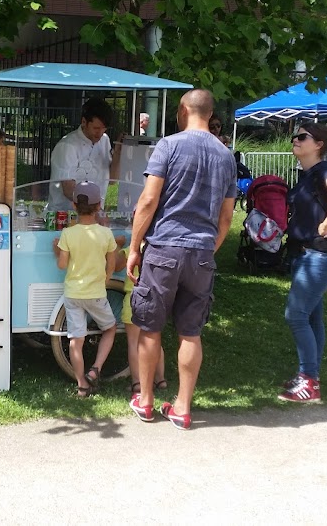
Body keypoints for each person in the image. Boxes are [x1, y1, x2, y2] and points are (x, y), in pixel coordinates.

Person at [126, 89, 236, 430]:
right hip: (202, 251)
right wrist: (208, 249)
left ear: (184, 109)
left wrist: (133, 247)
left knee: (150, 327)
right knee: (190, 333)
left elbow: (148, 200)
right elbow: (227, 218)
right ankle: (183, 408)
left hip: (163, 249)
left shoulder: (169, 145)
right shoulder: (226, 155)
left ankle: (145, 401)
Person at [279, 123, 327, 403]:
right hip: (308, 254)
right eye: (294, 136)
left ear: (319, 144)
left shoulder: (325, 171)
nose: (295, 141)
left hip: (320, 256)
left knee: (296, 315)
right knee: (312, 316)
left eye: (302, 137)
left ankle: (309, 381)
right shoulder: (309, 174)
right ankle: (309, 376)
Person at [51, 181, 118, 398]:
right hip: (96, 293)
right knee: (109, 328)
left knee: (75, 340)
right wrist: (106, 280)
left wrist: (56, 250)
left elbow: (62, 265)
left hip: (73, 294)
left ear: (73, 206)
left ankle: (81, 385)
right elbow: (111, 263)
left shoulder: (68, 234)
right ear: (99, 206)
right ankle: (95, 368)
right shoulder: (106, 234)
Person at [48, 98, 121, 211]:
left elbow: (112, 180)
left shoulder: (105, 140)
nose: (100, 134)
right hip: (64, 216)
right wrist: (94, 210)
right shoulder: (67, 145)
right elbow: (68, 189)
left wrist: (118, 153)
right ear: (84, 122)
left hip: (93, 216)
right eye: (96, 128)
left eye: (104, 129)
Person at [116, 239, 167, 397]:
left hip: (134, 297)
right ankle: (160, 379)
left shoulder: (132, 249)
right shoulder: (161, 249)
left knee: (134, 343)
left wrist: (118, 246)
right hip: (156, 299)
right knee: (155, 340)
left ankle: (137, 382)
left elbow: (117, 266)